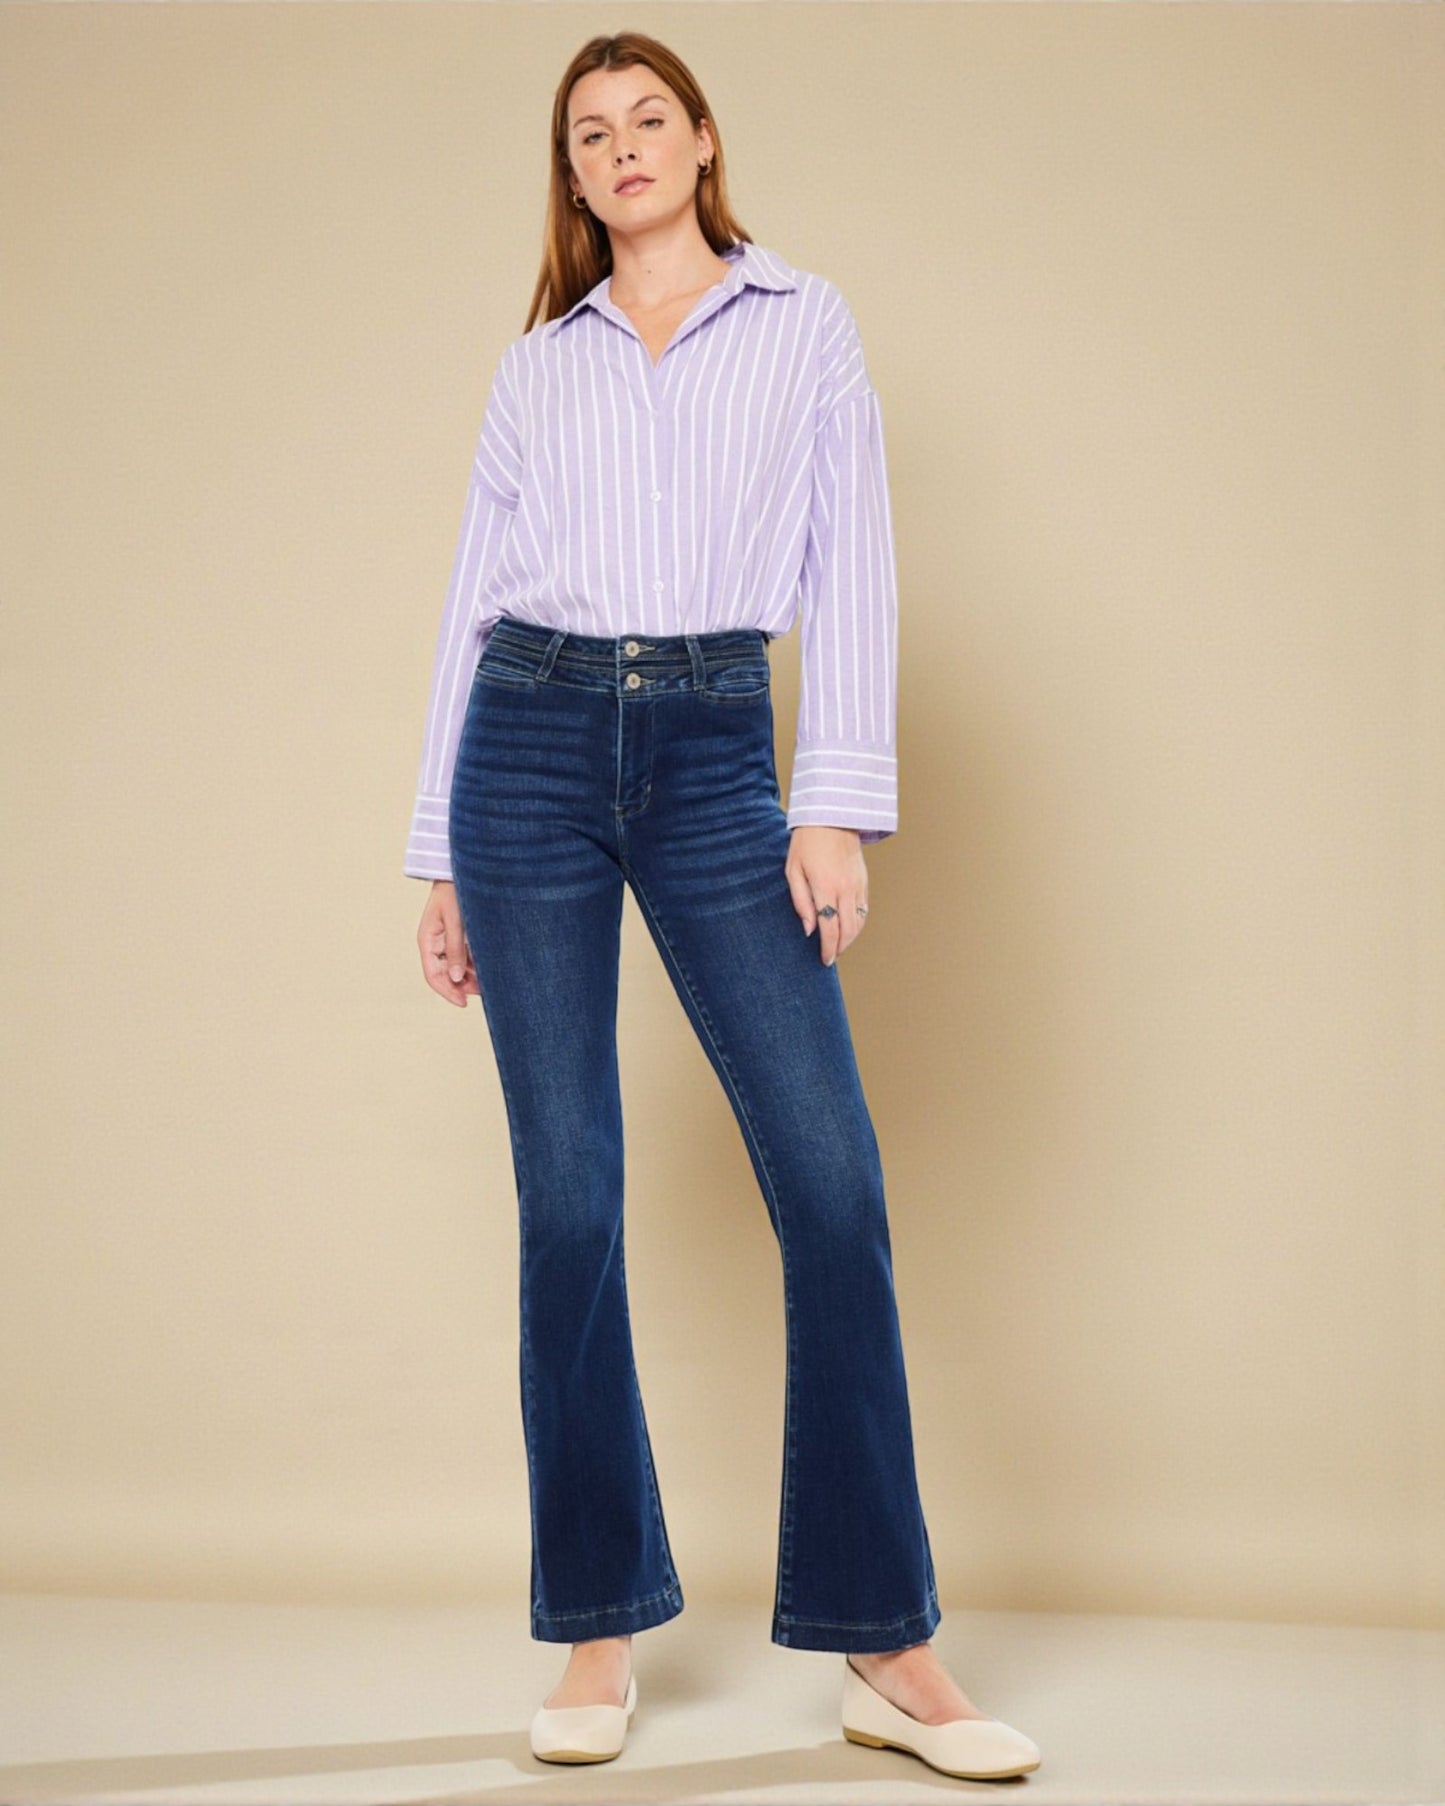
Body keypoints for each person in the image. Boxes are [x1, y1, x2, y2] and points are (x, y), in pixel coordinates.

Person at [402, 30, 1042, 1784]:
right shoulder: (539, 365)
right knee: (569, 1203)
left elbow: (855, 557)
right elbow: (473, 598)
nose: (620, 150)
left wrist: (831, 799)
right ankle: (595, 1624)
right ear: (574, 170)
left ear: (699, 142)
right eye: (588, 132)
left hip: (707, 746)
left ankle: (883, 1639)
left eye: (646, 120)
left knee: (829, 1186)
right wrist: (435, 851)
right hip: (522, 746)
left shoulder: (803, 322)